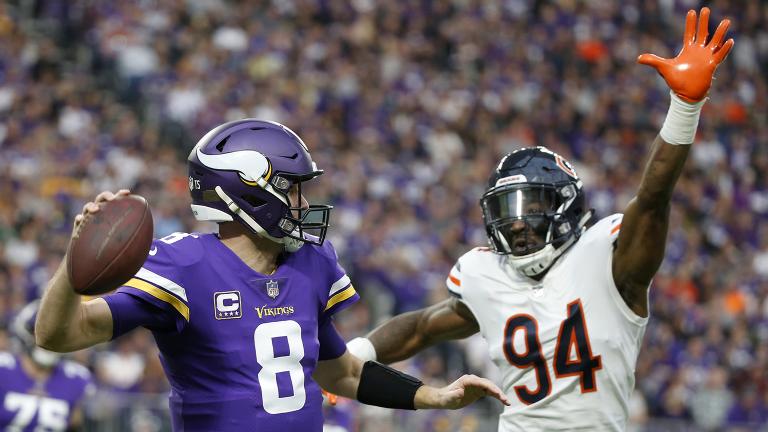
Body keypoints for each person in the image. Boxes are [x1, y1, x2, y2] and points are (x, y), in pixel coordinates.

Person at [345, 7, 734, 431]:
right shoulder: (485, 274)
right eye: (506, 211)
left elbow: (654, 199)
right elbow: (420, 328)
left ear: (564, 205)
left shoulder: (607, 259)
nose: (515, 224)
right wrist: (353, 356)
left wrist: (684, 108)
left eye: (529, 208)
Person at [34, 119, 508, 431]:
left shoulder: (312, 262)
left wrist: (433, 396)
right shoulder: (183, 265)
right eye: (293, 191)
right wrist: (73, 268)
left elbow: (338, 371)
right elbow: (58, 335)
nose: (303, 205)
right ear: (247, 193)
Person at [1, 301, 94, 431]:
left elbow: (75, 425)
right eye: (42, 333)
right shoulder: (4, 368)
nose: (50, 340)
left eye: (58, 335)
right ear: (27, 332)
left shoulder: (76, 377)